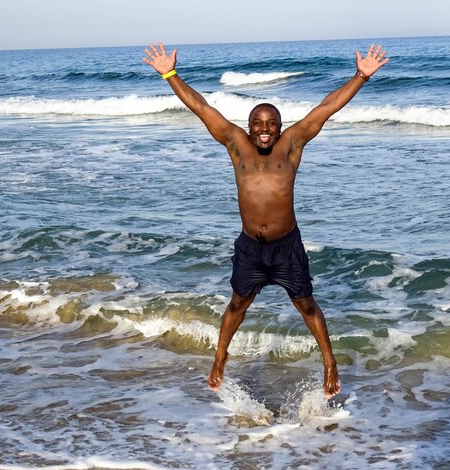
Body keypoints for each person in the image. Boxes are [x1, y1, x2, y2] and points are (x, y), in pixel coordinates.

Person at [143, 42, 389, 398]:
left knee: (306, 304)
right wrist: (169, 74)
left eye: (271, 124)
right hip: (251, 248)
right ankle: (220, 357)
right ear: (248, 126)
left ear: (279, 127)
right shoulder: (234, 143)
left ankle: (330, 362)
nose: (264, 129)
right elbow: (201, 107)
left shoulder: (292, 144)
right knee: (237, 304)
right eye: (257, 123)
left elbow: (326, 108)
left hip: (286, 246)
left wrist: (361, 76)